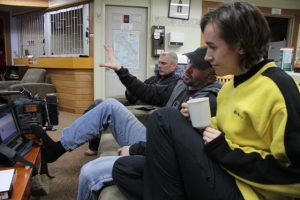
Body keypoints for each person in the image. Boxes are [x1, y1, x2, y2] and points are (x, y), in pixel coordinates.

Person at [113, 2, 300, 200]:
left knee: (164, 118)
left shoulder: (279, 89)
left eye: (212, 47)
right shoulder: (230, 87)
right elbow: (223, 132)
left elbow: (295, 177)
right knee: (124, 168)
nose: (208, 57)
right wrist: (198, 123)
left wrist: (224, 151)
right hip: (221, 170)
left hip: (245, 191)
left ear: (241, 45)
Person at [31, 45, 221, 200]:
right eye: (187, 64)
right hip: (152, 138)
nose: (186, 69)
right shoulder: (180, 84)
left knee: (89, 172)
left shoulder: (206, 102)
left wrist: (135, 149)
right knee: (110, 105)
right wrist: (120, 69)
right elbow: (146, 92)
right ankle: (57, 149)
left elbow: (181, 149)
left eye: (193, 67)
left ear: (211, 74)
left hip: (163, 154)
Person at [84, 51, 181, 156]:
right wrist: (131, 88)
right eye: (159, 63)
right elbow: (133, 95)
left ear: (173, 65)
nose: (159, 66)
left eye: (163, 63)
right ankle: (90, 133)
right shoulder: (154, 79)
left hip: (141, 108)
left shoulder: (174, 84)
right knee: (99, 103)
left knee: (104, 108)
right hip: (132, 102)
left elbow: (151, 97)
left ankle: (91, 140)